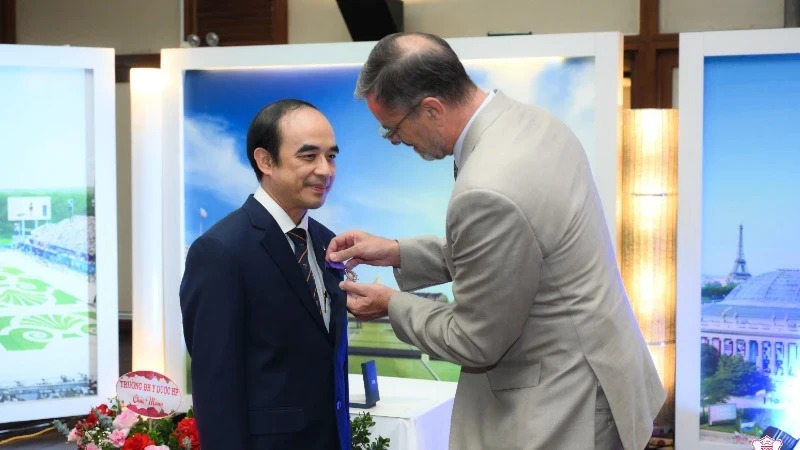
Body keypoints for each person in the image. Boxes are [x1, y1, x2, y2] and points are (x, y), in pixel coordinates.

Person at [327, 32, 665, 449]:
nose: (397, 142)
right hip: (601, 375)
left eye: (392, 130)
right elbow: (518, 254)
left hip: (562, 406)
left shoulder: (486, 188)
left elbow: (474, 340)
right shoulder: (532, 123)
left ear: (431, 108)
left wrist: (390, 304)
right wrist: (398, 252)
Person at [180, 99, 350, 449]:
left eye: (331, 156)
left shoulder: (325, 241)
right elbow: (215, 386)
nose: (325, 170)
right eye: (309, 156)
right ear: (265, 160)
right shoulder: (220, 251)